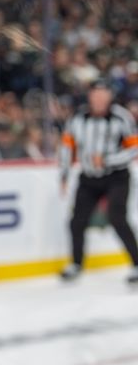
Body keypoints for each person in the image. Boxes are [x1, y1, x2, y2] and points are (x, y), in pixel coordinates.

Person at [59, 78, 138, 284]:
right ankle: (76, 263)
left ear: (110, 96)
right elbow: (67, 146)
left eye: (104, 94)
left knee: (117, 217)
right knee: (77, 221)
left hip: (116, 177)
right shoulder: (77, 118)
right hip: (88, 178)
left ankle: (137, 263)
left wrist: (107, 160)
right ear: (90, 96)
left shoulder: (121, 117)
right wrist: (64, 174)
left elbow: (134, 148)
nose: (100, 98)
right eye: (96, 94)